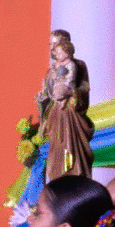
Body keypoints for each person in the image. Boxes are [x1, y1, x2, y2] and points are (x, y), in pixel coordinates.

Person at [35, 30, 94, 180]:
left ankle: (74, 178)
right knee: (56, 152)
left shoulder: (78, 65)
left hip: (71, 115)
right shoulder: (51, 69)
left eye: (55, 43)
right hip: (55, 116)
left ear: (65, 44)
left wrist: (70, 92)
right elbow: (48, 94)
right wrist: (42, 101)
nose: (52, 48)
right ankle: (59, 181)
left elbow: (85, 89)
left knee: (72, 149)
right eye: (50, 44)